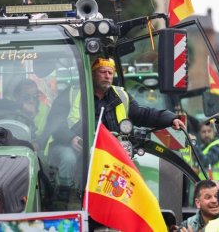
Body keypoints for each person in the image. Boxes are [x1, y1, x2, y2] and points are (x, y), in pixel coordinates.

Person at [45, 57, 185, 208]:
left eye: (110, 73)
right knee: (69, 158)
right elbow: (54, 122)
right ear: (92, 74)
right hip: (77, 148)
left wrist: (170, 119)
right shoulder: (72, 93)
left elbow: (142, 114)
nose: (107, 76)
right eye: (102, 72)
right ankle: (65, 201)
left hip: (109, 150)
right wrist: (70, 138)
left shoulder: (120, 96)